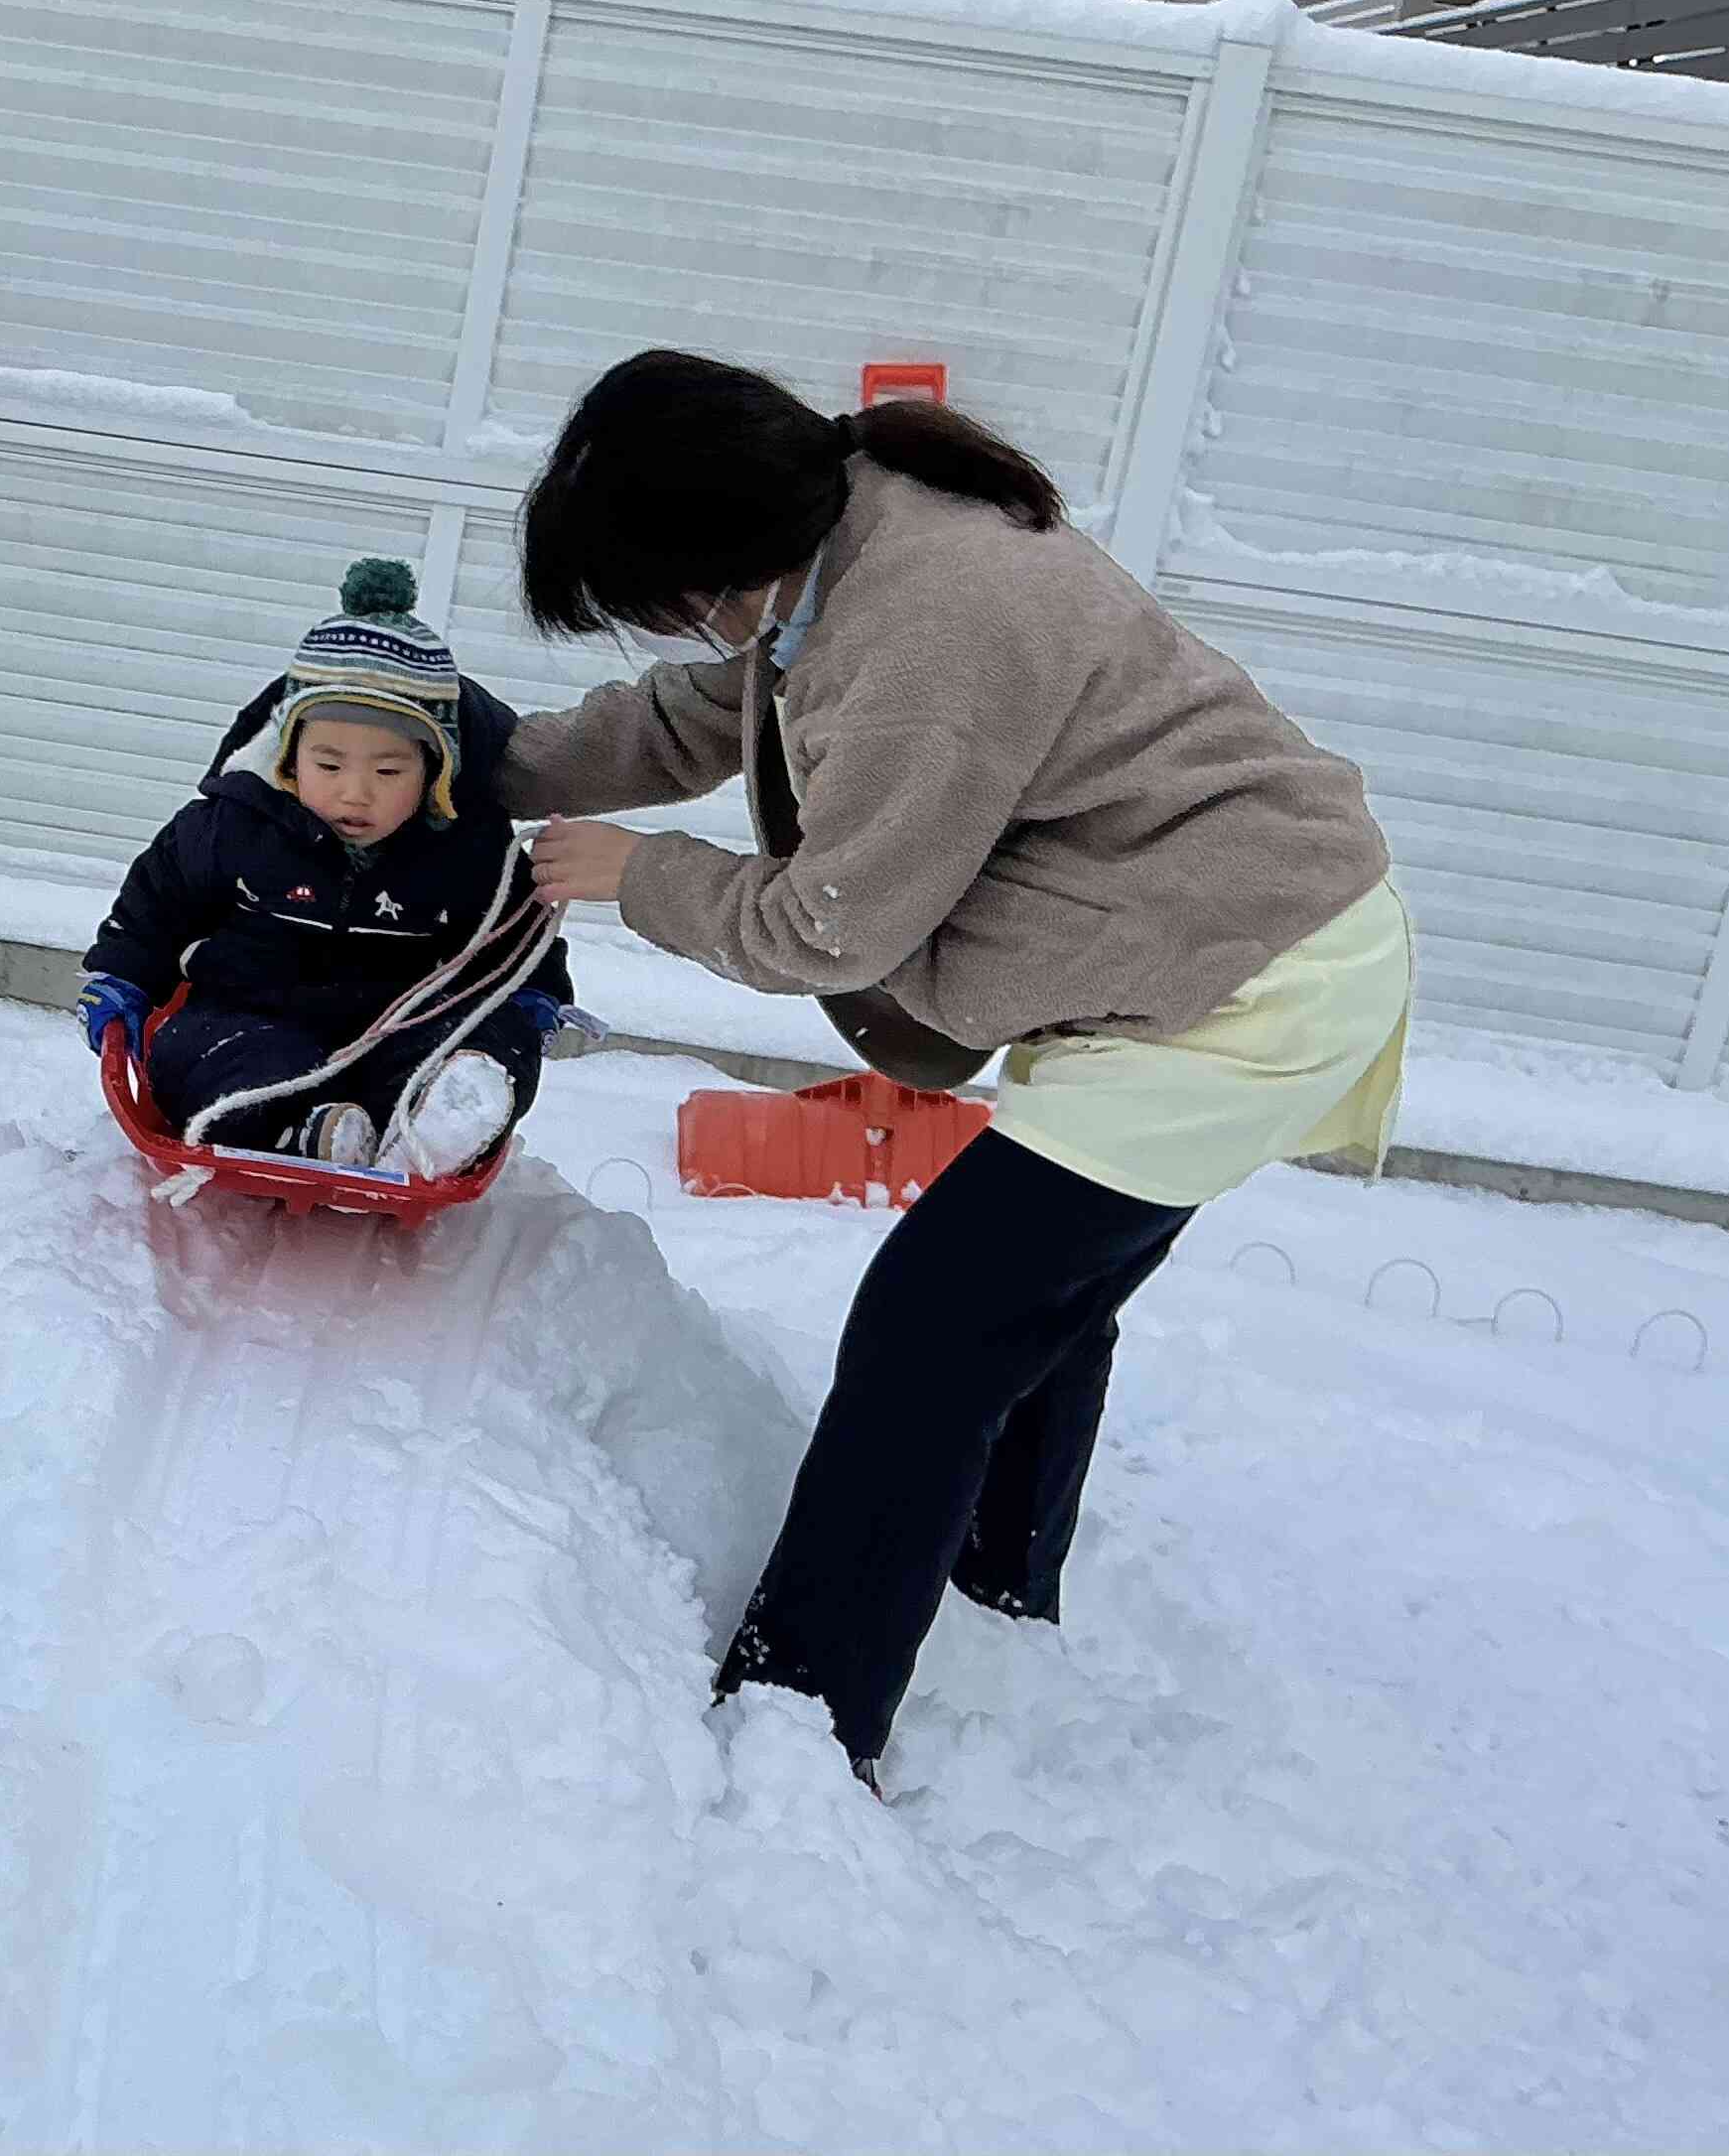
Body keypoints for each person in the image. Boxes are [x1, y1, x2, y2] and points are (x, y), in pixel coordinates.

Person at [505, 349, 1411, 1788]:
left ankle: (805, 1710)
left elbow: (828, 920)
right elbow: (706, 711)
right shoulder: (841, 526)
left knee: (932, 1330)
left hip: (1242, 977)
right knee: (1031, 1288)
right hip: (1189, 933)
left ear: (717, 564)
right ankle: (998, 1582)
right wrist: (497, 762)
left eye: (651, 599)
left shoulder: (927, 626)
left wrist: (638, 873)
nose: (665, 630)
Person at [77, 559, 572, 1179]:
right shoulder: (232, 826)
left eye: (388, 772)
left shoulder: (469, 851)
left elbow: (516, 936)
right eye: (329, 765)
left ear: (435, 772)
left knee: (481, 1040)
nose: (354, 794)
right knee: (194, 1056)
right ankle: (313, 1131)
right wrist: (120, 978)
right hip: (249, 1015)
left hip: (398, 1024)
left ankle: (436, 1121)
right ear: (289, 757)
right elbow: (153, 907)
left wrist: (532, 999)